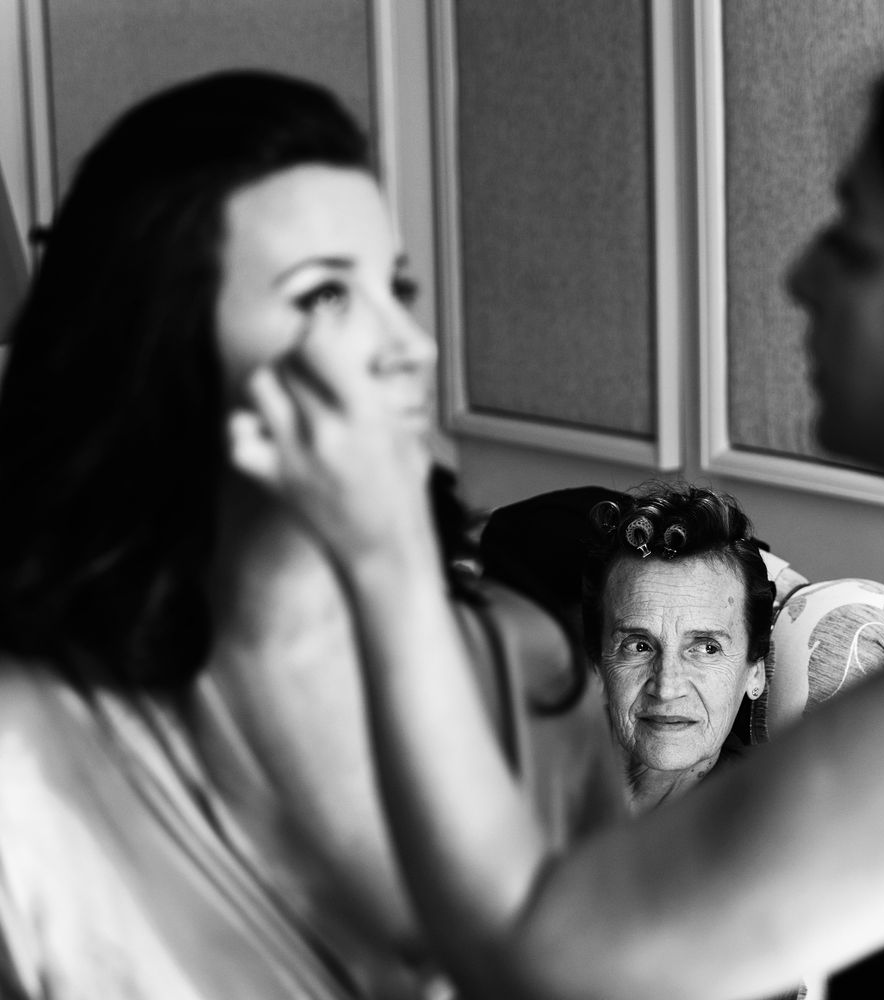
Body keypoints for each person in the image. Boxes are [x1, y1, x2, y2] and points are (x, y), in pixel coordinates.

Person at [241, 17, 884, 999]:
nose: (797, 276)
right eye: (636, 644)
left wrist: (381, 550)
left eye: (853, 247)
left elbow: (540, 955)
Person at [0, 70, 619, 999]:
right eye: (326, 296)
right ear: (161, 348)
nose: (412, 346)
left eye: (396, 287)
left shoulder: (522, 666)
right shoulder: (26, 744)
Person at [580, 484, 771, 812]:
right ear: (597, 665)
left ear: (755, 671)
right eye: (639, 646)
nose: (667, 688)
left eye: (707, 648)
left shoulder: (774, 818)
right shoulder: (524, 778)